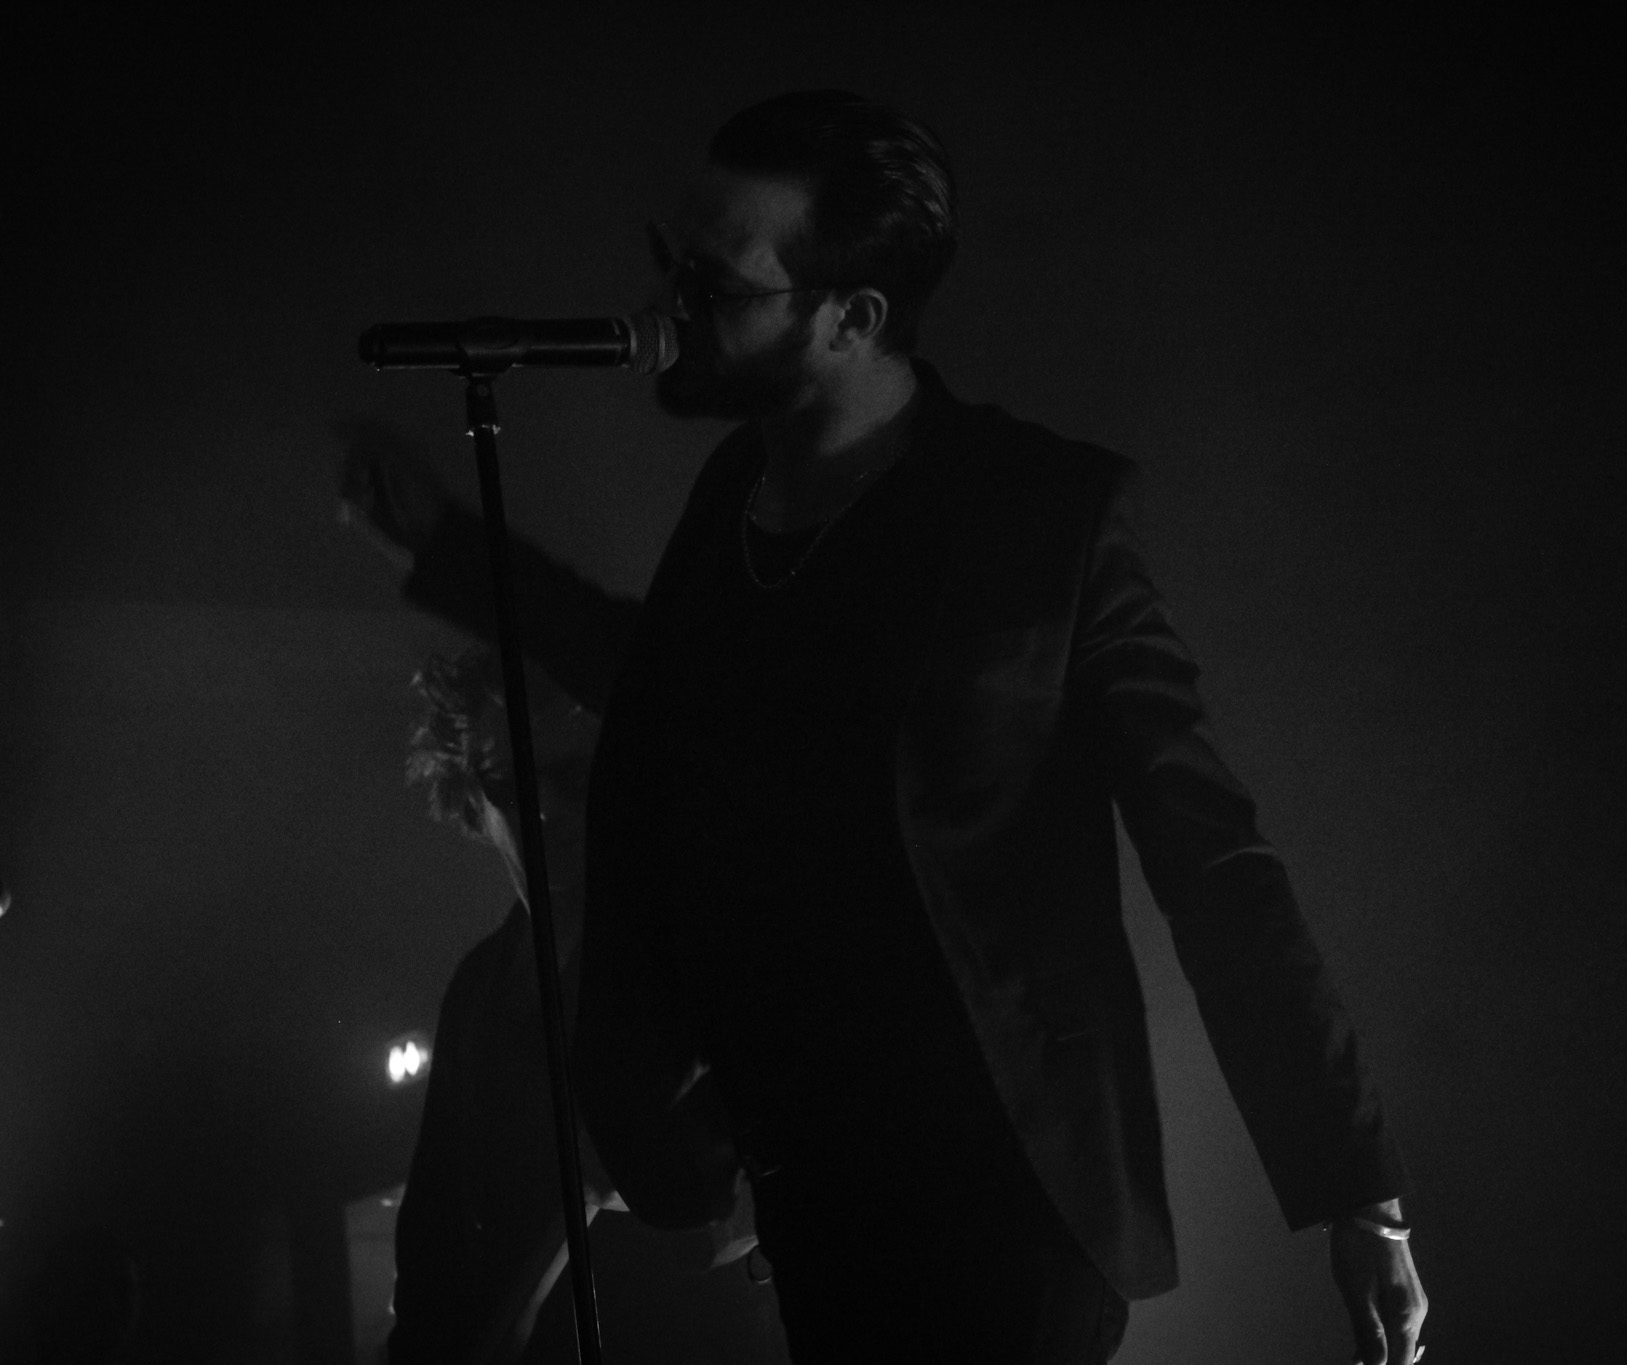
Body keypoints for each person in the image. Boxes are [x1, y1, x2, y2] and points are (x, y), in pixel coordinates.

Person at [340, 89, 1427, 1364]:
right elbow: (659, 674)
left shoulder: (1037, 513)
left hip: (1006, 1195)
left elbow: (1212, 859)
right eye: (671, 259)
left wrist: (1356, 1189)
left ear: (851, 317)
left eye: (718, 280)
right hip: (814, 1185)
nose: (670, 301)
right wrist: (447, 550)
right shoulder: (734, 499)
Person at [384, 647, 775, 1364]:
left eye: (573, 776)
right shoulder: (479, 988)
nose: (543, 809)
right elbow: (434, 1235)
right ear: (470, 803)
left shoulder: (697, 949)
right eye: (509, 782)